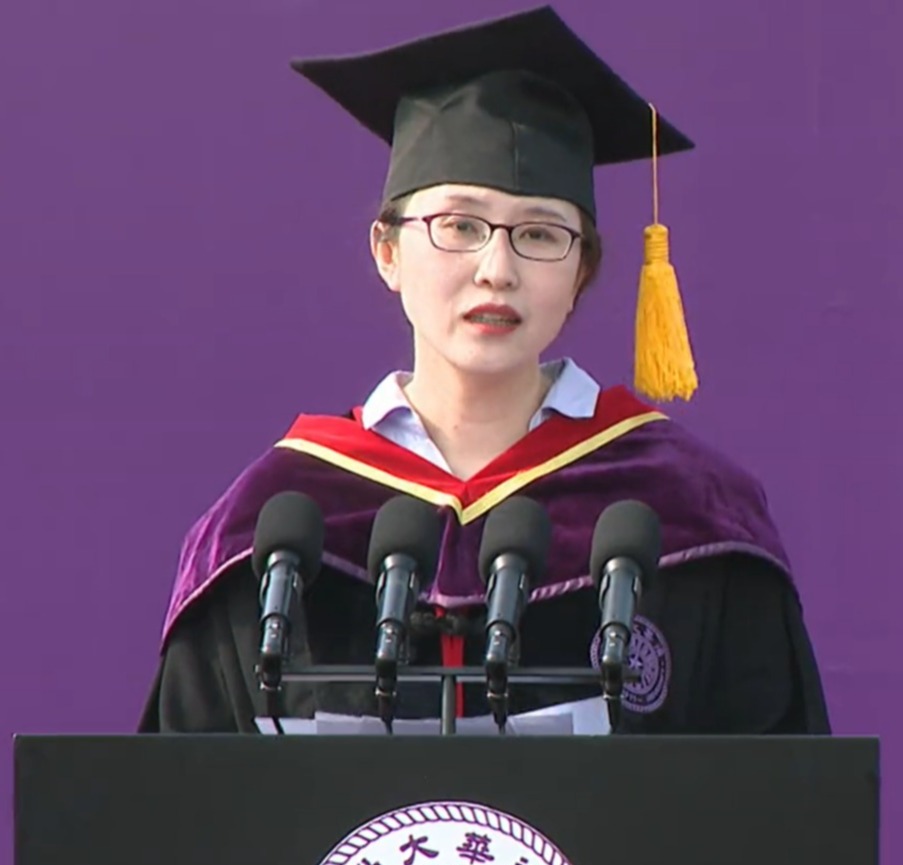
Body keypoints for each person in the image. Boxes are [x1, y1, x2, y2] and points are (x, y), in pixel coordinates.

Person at [138, 6, 830, 735]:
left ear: (581, 272)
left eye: (540, 233)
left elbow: (776, 792)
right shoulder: (272, 525)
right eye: (460, 226)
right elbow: (187, 795)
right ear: (387, 252)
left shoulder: (688, 513)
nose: (496, 269)